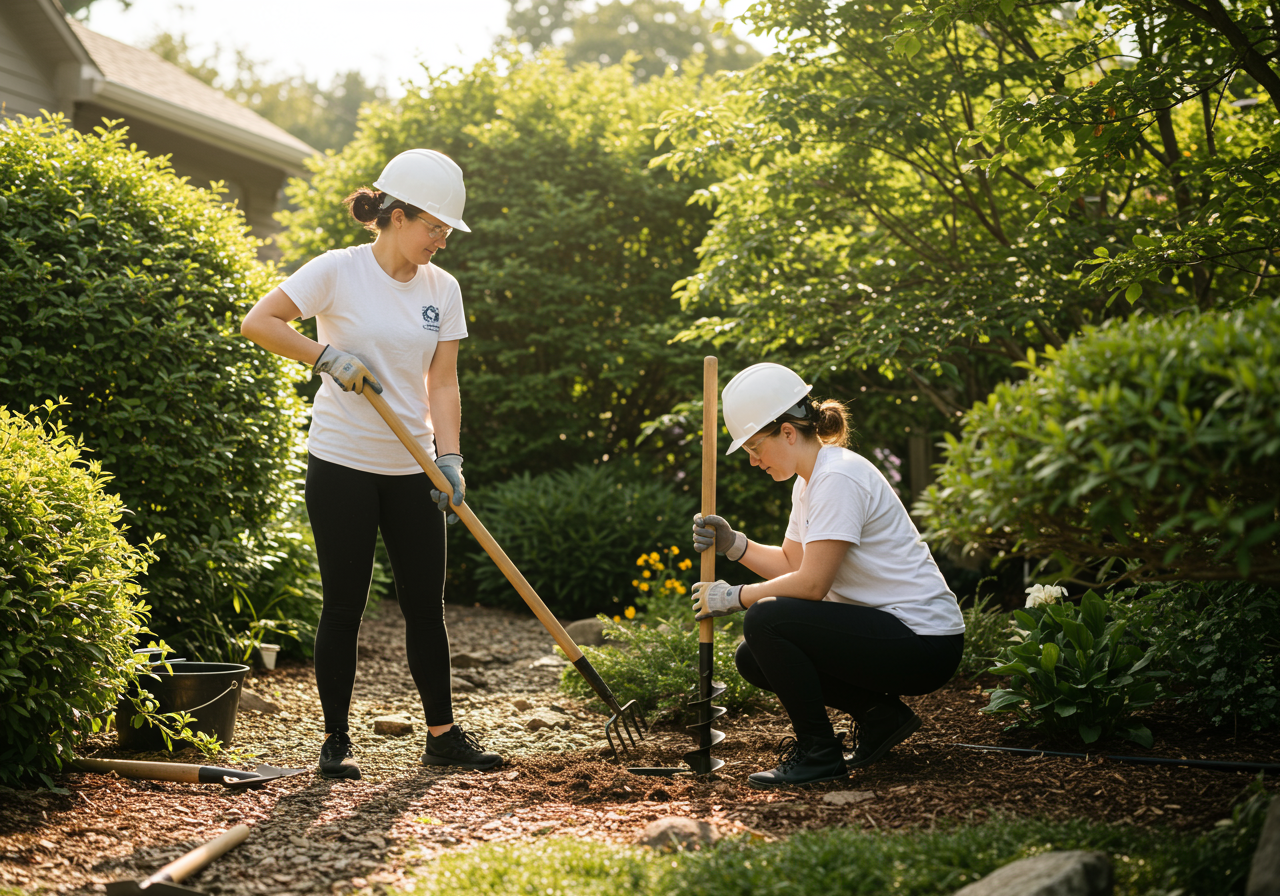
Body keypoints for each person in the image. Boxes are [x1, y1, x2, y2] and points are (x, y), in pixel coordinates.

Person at [240, 148, 501, 779]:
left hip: (414, 466)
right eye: (434, 226)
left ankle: (441, 735)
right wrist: (323, 355)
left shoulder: (444, 289)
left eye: (446, 230)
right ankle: (335, 742)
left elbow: (443, 383)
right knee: (344, 603)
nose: (442, 240)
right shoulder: (338, 271)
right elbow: (259, 321)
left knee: (424, 604)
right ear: (398, 214)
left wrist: (450, 458)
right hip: (343, 463)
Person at [691, 362, 964, 788]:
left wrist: (734, 596)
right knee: (753, 655)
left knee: (765, 619)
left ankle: (819, 753)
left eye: (754, 446)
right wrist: (734, 545)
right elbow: (791, 565)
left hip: (924, 641)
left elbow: (811, 586)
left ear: (786, 431)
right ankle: (881, 716)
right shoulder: (810, 481)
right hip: (890, 631)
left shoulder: (837, 476)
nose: (752, 460)